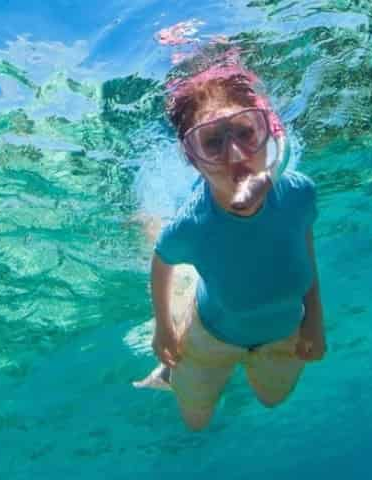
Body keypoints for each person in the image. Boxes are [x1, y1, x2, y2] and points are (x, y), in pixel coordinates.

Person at [133, 50, 326, 431]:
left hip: (284, 331)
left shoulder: (299, 191)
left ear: (267, 131)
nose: (235, 155)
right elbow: (161, 261)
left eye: (245, 131)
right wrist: (164, 330)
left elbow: (304, 250)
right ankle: (176, 344)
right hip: (209, 336)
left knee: (274, 401)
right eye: (213, 142)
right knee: (196, 421)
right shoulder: (191, 224)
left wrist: (315, 320)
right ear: (192, 158)